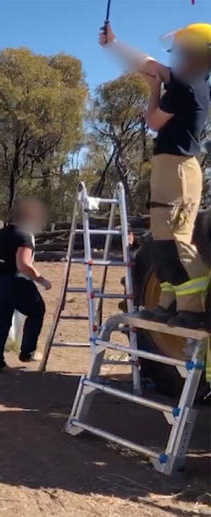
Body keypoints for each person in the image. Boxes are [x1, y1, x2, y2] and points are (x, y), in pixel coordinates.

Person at [100, 22, 211, 328]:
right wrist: (115, 44)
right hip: (171, 166)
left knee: (175, 237)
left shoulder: (188, 86)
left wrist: (152, 90)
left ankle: (194, 310)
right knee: (162, 238)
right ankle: (169, 302)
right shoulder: (187, 82)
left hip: (178, 167)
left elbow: (153, 120)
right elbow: (148, 64)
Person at [0, 198, 52, 370]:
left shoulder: (3, 232)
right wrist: (42, 280)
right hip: (11, 279)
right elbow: (23, 264)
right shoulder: (24, 235)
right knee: (37, 310)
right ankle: (27, 353)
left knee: (2, 320)